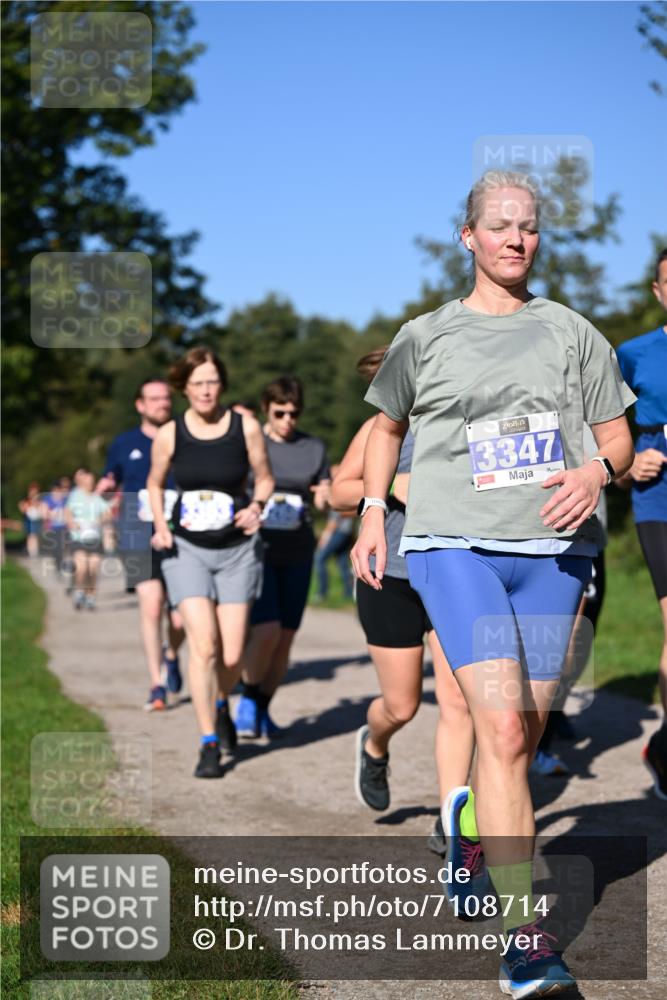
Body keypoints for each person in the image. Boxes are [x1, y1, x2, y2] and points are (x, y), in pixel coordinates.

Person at [351, 170, 635, 999]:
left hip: (552, 556)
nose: (517, 238)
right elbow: (386, 427)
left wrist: (595, 470)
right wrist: (374, 511)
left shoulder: (574, 333)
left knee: (526, 725)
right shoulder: (425, 334)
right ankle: (527, 938)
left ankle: (473, 827)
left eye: (530, 226)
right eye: (500, 224)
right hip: (453, 546)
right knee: (505, 734)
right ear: (467, 236)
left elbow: (615, 440)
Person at [332, 348, 475, 858]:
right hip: (389, 577)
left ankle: (450, 820)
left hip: (452, 576)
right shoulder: (381, 428)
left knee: (458, 701)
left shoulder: (464, 420)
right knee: (403, 705)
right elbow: (337, 491)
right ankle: (374, 746)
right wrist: (392, 484)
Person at [148, 346, 274, 778]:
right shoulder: (170, 434)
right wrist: (162, 526)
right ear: (184, 387)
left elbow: (266, 476)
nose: (206, 390)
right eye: (197, 382)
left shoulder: (246, 426)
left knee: (233, 652)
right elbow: (154, 481)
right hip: (187, 550)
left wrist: (257, 504)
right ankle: (207, 742)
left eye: (213, 381)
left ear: (222, 384)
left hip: (237, 549)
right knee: (203, 645)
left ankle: (222, 701)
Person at [235, 376, 330, 738]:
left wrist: (326, 496)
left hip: (298, 550)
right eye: (280, 413)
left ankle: (261, 706)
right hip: (258, 551)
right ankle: (246, 698)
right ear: (266, 410)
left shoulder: (313, 447)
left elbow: (321, 492)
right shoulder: (250, 444)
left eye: (294, 413)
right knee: (266, 631)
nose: (288, 420)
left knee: (286, 637)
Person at [616, 247, 667, 801]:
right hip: (660, 498)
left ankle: (662, 747)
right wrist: (629, 465)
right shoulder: (631, 355)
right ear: (657, 291)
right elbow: (598, 428)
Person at [103, 378, 185, 712]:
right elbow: (112, 476)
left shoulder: (185, 437)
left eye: (166, 398)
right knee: (151, 606)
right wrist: (105, 485)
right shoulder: (124, 443)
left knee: (180, 619)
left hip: (180, 530)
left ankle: (171, 654)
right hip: (136, 531)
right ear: (140, 404)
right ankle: (157, 682)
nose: (161, 404)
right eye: (153, 399)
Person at [64, 471, 111, 610]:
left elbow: (107, 513)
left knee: (93, 569)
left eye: (92, 481)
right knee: (82, 567)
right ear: (83, 482)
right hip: (78, 538)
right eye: (88, 481)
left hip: (95, 538)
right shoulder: (75, 496)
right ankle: (79, 592)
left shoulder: (97, 498)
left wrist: (100, 520)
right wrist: (72, 523)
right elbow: (67, 512)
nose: (90, 484)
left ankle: (91, 595)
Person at [313, 472, 355, 602]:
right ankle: (348, 594)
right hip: (346, 532)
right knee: (342, 562)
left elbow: (334, 520)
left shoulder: (338, 490)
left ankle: (321, 592)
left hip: (339, 532)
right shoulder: (347, 489)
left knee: (319, 558)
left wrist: (325, 537)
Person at [41, 480, 69, 574]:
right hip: (52, 527)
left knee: (62, 546)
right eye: (55, 490)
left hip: (63, 526)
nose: (57, 492)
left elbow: (68, 511)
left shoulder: (64, 500)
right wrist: (50, 514)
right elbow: (44, 513)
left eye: (59, 490)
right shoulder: (47, 499)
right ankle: (58, 563)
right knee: (55, 547)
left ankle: (61, 562)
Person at [19, 483, 43, 557]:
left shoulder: (39, 501)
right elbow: (23, 509)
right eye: (32, 491)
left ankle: (35, 551)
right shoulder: (27, 501)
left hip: (37, 520)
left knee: (35, 536)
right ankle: (32, 552)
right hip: (29, 520)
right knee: (31, 536)